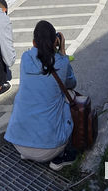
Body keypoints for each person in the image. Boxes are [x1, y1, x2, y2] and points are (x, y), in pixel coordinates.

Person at [4, 20, 77, 171]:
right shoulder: (61, 62)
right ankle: (60, 157)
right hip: (50, 149)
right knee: (70, 95)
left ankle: (28, 151)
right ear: (55, 42)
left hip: (19, 145)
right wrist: (62, 52)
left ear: (33, 42)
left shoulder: (25, 58)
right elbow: (71, 83)